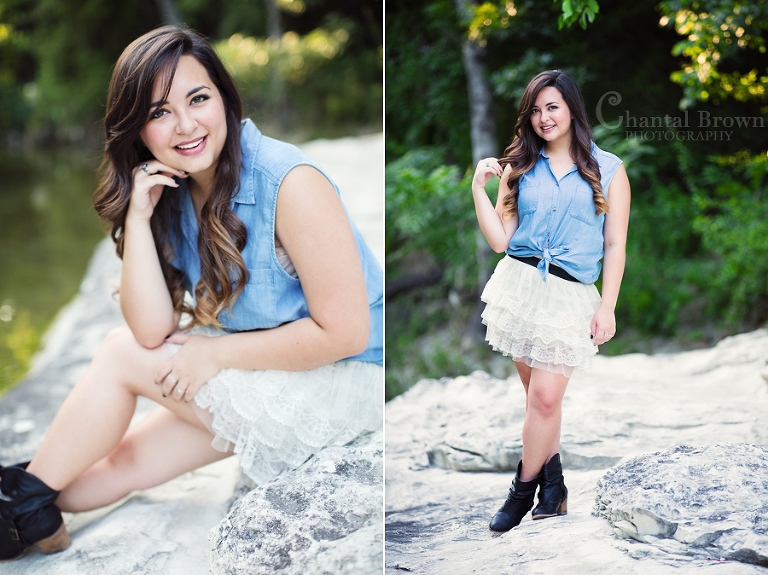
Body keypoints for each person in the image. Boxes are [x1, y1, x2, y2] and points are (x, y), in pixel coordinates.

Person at [0, 25, 383, 560]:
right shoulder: (176, 189)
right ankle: (27, 508)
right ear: (137, 130)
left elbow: (346, 332)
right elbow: (153, 329)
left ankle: (19, 502)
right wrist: (137, 216)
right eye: (158, 112)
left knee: (117, 355)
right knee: (116, 467)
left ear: (224, 98)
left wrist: (217, 352)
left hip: (338, 384)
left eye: (198, 99)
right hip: (268, 373)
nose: (185, 125)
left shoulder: (289, 183)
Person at [471, 70, 630, 532]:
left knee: (543, 398)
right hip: (520, 287)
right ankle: (554, 488)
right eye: (536, 110)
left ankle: (520, 493)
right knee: (539, 402)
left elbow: (615, 243)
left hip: (570, 295)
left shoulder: (609, 169)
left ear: (572, 109)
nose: (543, 118)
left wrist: (608, 307)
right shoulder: (519, 166)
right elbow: (502, 240)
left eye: (552, 107)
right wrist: (477, 190)